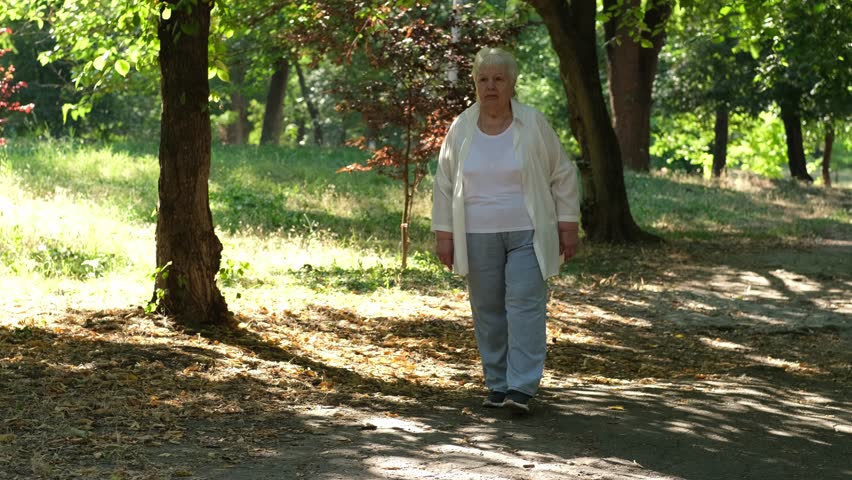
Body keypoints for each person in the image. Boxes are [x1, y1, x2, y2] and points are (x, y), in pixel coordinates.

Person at [431, 47, 581, 413]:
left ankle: (521, 388)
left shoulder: (533, 123)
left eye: (499, 79)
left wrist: (568, 225)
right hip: (476, 233)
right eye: (483, 79)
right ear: (475, 84)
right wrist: (444, 235)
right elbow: (444, 183)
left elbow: (562, 173)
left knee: (525, 306)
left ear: (512, 83)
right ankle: (497, 384)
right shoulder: (461, 127)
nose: (491, 86)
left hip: (528, 231)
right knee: (488, 310)